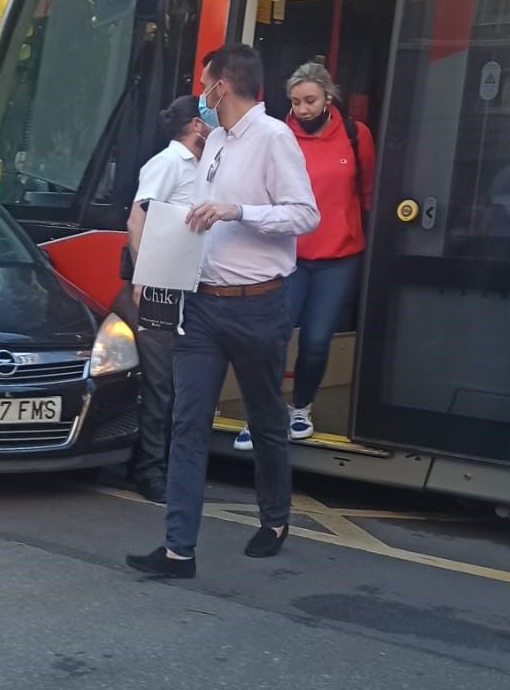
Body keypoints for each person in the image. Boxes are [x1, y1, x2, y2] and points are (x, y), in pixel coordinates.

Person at [126, 44, 319, 580]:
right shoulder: (212, 145)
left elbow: (305, 215)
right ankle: (177, 551)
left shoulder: (275, 137)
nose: (200, 93)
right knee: (187, 425)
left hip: (258, 304)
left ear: (222, 85)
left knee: (264, 420)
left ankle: (275, 519)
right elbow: (196, 220)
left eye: (204, 82)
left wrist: (237, 210)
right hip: (202, 304)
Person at [232, 61, 374, 449]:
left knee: (315, 340)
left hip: (339, 257)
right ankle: (260, 414)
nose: (302, 109)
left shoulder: (355, 135)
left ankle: (301, 408)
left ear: (329, 97)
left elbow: (367, 192)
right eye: (295, 102)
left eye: (310, 100)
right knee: (272, 338)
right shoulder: (279, 136)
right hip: (288, 256)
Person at [124, 96, 208, 504]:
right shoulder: (169, 162)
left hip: (182, 282)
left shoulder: (202, 163)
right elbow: (138, 217)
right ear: (196, 123)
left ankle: (163, 464)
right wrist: (146, 274)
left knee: (176, 380)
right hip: (160, 284)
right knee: (161, 382)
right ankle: (148, 470)